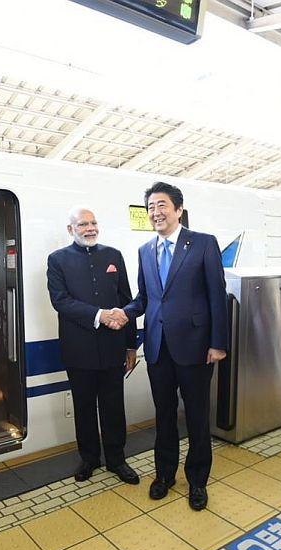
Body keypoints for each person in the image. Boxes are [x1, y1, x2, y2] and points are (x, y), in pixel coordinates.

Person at [111, 182, 227, 510]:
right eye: (150, 207)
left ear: (178, 209)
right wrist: (123, 313)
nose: (155, 212)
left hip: (196, 346)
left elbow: (217, 295)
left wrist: (218, 343)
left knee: (197, 417)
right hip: (159, 347)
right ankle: (164, 475)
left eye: (162, 205)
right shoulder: (145, 250)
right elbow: (145, 299)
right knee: (163, 416)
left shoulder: (202, 244)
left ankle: (198, 481)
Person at [47, 206, 140, 484]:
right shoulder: (57, 260)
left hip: (113, 348)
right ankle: (89, 459)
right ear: (70, 229)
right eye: (83, 224)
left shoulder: (113, 256)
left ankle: (117, 460)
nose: (90, 228)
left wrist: (131, 346)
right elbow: (60, 301)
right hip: (78, 350)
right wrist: (100, 315)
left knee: (114, 407)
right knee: (84, 407)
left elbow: (126, 300)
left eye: (93, 223)